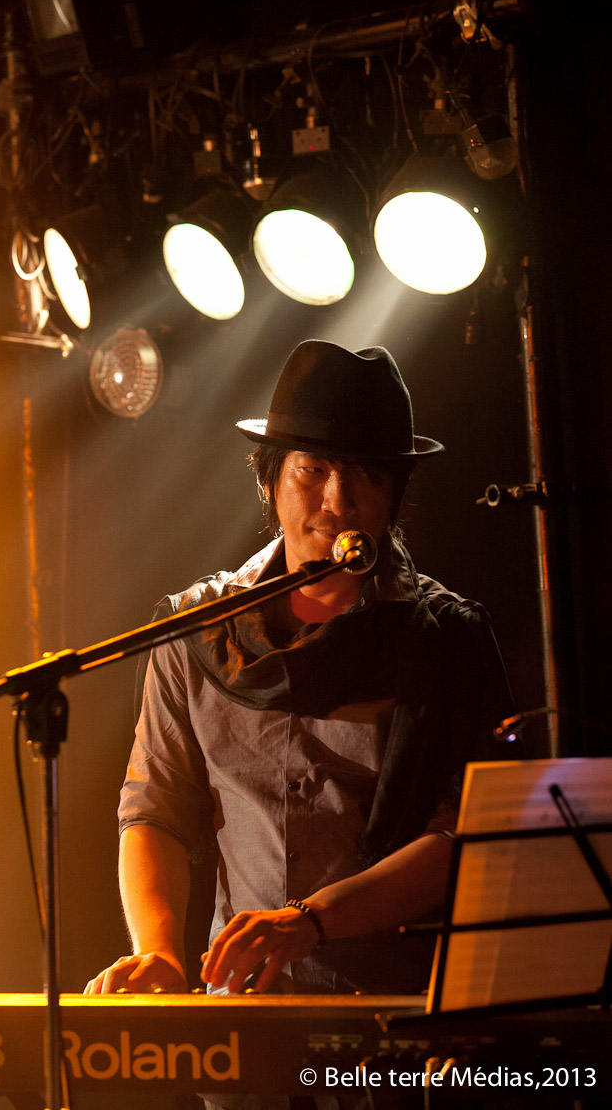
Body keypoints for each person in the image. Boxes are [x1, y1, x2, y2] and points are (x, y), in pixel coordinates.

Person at [85, 340, 512, 1099]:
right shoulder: (194, 631)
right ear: (271, 479)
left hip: (397, 1038)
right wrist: (161, 954)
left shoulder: (446, 639)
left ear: (394, 495)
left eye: (367, 474)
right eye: (313, 470)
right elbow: (154, 809)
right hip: (243, 1034)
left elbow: (465, 840)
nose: (338, 500)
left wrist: (309, 921)